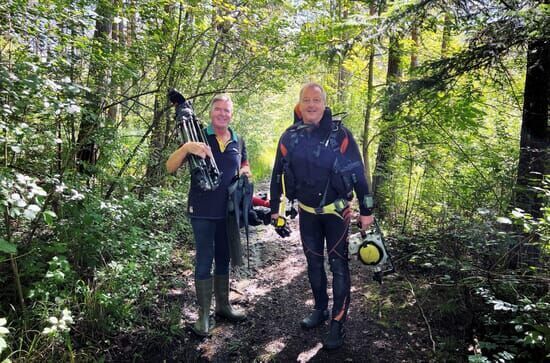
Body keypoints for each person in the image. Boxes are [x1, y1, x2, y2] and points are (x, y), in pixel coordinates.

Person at [269, 82, 374, 350]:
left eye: (316, 100)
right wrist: (274, 211)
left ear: (324, 105)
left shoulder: (341, 136)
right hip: (307, 215)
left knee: (338, 266)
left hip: (337, 214)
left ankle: (337, 324)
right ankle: (320, 309)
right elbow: (277, 176)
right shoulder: (289, 137)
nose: (311, 105)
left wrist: (366, 210)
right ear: (300, 104)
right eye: (307, 100)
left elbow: (358, 174)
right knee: (313, 264)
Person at [166, 93, 250, 337]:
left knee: (223, 257)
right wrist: (185, 148)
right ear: (212, 112)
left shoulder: (238, 140)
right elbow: (170, 167)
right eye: (218, 109)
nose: (222, 114)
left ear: (231, 114)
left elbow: (244, 164)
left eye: (227, 110)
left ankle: (223, 306)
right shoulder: (197, 136)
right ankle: (203, 315)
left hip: (228, 212)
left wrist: (245, 173)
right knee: (204, 259)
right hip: (202, 210)